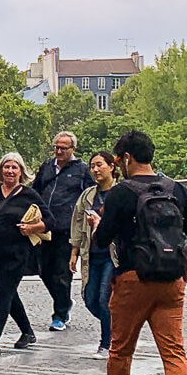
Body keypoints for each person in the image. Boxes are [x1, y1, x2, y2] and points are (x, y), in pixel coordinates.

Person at [94, 130, 187, 375]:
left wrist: (97, 225)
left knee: (121, 351)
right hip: (171, 282)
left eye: (118, 160)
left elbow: (102, 241)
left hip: (133, 279)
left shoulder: (120, 194)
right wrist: (184, 275)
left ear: (127, 158)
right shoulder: (177, 190)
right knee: (174, 353)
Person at [0, 152, 54, 357]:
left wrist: (33, 228)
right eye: (7, 167)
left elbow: (51, 221)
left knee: (4, 295)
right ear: (0, 171)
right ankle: (27, 332)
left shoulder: (28, 195)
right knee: (9, 294)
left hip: (17, 254)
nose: (10, 171)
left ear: (21, 172)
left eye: (14, 167)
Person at [32, 131, 94, 331]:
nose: (58, 151)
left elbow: (91, 196)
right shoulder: (47, 167)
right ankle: (65, 302)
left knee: (61, 272)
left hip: (67, 230)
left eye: (63, 148)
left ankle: (60, 313)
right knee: (43, 270)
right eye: (56, 147)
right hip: (44, 227)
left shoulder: (82, 170)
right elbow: (35, 190)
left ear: (72, 149)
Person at [69, 151, 118, 359]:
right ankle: (116, 326)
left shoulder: (120, 193)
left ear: (111, 167)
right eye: (92, 166)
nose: (96, 170)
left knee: (103, 298)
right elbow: (77, 223)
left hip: (112, 254)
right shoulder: (88, 195)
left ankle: (106, 343)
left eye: (100, 165)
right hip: (91, 254)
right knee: (89, 298)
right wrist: (74, 251)